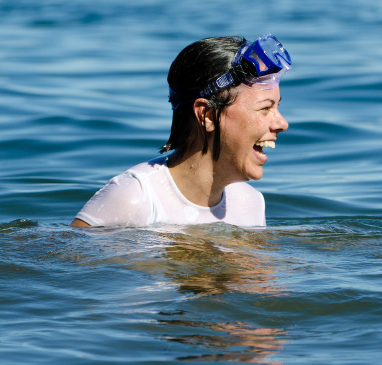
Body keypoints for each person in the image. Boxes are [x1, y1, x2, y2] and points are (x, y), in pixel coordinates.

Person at [71, 35, 291, 228]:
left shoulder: (250, 204)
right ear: (206, 114)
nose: (282, 123)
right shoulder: (136, 197)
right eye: (265, 108)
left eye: (277, 107)